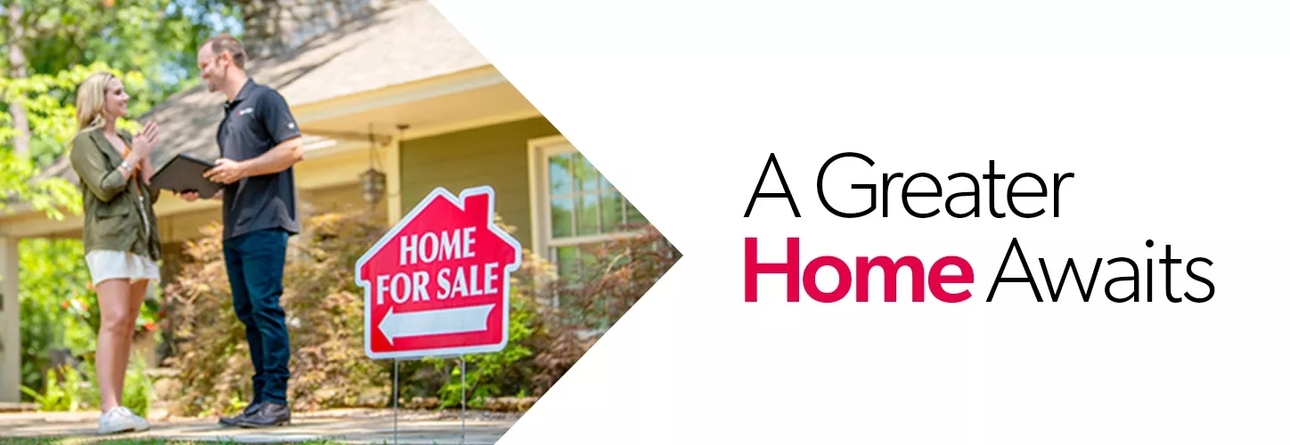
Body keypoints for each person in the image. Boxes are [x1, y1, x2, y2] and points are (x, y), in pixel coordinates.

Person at [180, 33, 305, 429]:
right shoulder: (228, 116)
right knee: (248, 313)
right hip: (235, 227)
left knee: (266, 308)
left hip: (267, 221)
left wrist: (241, 168)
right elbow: (235, 174)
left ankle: (276, 400)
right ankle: (259, 401)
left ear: (225, 60)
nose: (203, 75)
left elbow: (293, 150)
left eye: (205, 66)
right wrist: (205, 187)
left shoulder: (265, 99)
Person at [67, 71, 163, 435]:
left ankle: (119, 407)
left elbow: (148, 192)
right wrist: (133, 156)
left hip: (139, 240)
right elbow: (106, 188)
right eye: (117, 92)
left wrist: (145, 157)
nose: (125, 97)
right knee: (114, 318)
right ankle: (108, 409)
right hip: (108, 239)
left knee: (127, 325)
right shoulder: (84, 143)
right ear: (99, 99)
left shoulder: (124, 138)